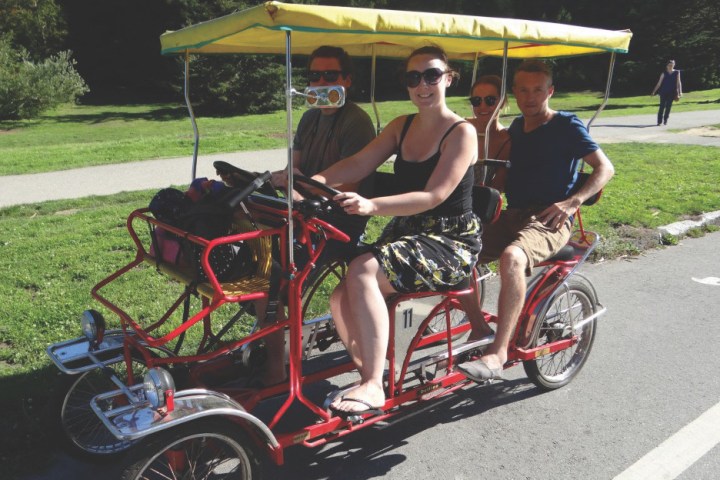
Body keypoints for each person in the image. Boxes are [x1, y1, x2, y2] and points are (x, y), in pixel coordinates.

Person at [312, 45, 481, 414]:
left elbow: (434, 196)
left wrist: (372, 205)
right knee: (340, 296)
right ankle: (369, 375)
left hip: (450, 240)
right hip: (410, 230)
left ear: (448, 78)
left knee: (362, 270)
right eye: (413, 77)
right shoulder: (400, 125)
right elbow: (357, 163)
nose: (422, 84)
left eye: (432, 75)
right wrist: (309, 182)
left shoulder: (462, 133)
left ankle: (373, 385)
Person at [457, 59, 614, 382]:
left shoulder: (567, 125)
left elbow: (605, 168)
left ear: (550, 91)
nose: (531, 97)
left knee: (512, 258)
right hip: (512, 213)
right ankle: (478, 327)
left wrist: (572, 202)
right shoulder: (517, 127)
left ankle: (497, 355)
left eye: (538, 90)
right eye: (524, 90)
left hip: (550, 217)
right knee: (459, 250)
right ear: (514, 92)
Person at [257, 46, 376, 385]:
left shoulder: (356, 122)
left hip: (337, 222)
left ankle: (276, 365)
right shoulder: (309, 117)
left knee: (277, 278)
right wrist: (285, 181)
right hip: (302, 213)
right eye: (314, 76)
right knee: (247, 251)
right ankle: (267, 338)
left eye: (330, 76)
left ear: (347, 80)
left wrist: (297, 187)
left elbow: (347, 184)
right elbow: (293, 167)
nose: (321, 82)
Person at [466, 75, 511, 189]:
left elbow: (497, 186)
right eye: (476, 101)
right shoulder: (461, 128)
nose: (482, 106)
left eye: (490, 100)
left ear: (502, 102)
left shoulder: (505, 140)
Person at [651, 60, 682, 126]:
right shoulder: (664, 73)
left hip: (672, 92)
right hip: (663, 92)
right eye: (670, 65)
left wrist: (680, 92)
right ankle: (659, 121)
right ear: (667, 66)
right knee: (662, 106)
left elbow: (678, 83)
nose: (671, 66)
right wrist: (654, 91)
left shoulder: (677, 72)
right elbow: (659, 83)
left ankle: (665, 120)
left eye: (672, 65)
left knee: (668, 106)